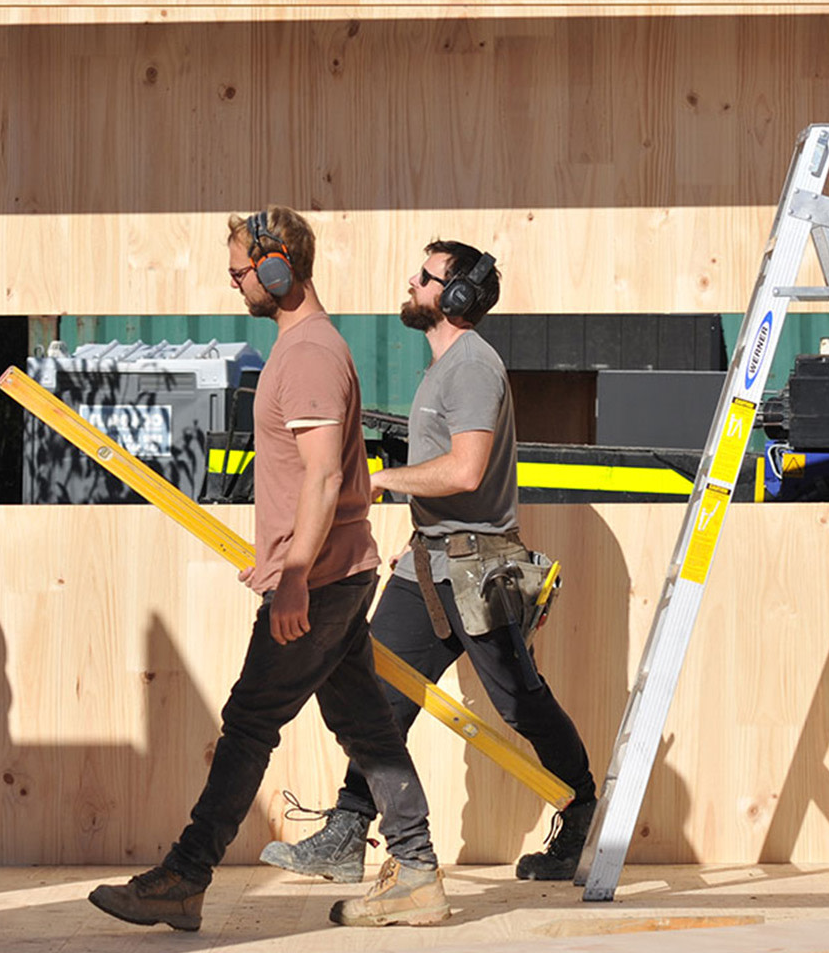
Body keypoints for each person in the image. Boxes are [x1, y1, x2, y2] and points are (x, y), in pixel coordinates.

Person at [88, 208, 451, 931]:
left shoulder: (310, 354)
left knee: (251, 721)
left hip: (317, 580)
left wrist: (292, 577)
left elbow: (320, 478)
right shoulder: (303, 347)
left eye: (241, 271)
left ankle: (187, 876)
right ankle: (417, 873)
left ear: (280, 267)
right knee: (369, 730)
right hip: (336, 574)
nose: (236, 284)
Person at [260, 240, 599, 883]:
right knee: (376, 697)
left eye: (426, 275)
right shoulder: (443, 366)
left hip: (474, 571)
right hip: (429, 566)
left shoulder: (471, 366)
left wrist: (381, 481)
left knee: (521, 704)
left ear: (457, 295)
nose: (411, 282)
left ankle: (581, 816)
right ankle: (346, 831)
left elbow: (466, 471)